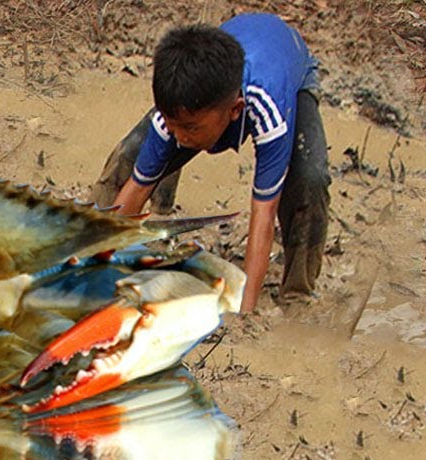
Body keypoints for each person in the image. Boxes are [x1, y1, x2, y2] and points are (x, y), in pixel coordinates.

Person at [88, 14, 330, 313]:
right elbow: (136, 188)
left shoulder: (269, 111)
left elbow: (263, 213)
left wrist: (244, 312)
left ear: (235, 110)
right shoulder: (176, 117)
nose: (179, 135)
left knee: (309, 178)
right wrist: (96, 267)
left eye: (189, 127)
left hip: (288, 68)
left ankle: (297, 296)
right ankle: (84, 245)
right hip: (213, 79)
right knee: (131, 155)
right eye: (172, 124)